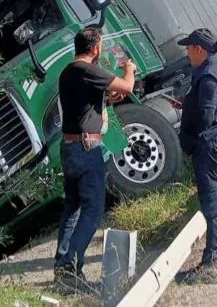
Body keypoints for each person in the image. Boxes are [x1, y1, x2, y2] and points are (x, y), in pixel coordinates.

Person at [53, 26, 136, 288]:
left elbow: (85, 107)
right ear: (95, 48)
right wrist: (129, 69)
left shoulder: (69, 71)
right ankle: (70, 266)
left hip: (70, 147)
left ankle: (61, 265)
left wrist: (107, 101)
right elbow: (128, 86)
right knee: (93, 209)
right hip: (87, 149)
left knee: (73, 208)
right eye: (100, 46)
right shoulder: (88, 70)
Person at [175, 28, 217, 285]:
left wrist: (190, 139)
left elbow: (207, 115)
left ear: (199, 49)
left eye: (189, 48)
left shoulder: (210, 73)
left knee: (212, 206)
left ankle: (209, 264)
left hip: (212, 143)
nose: (187, 53)